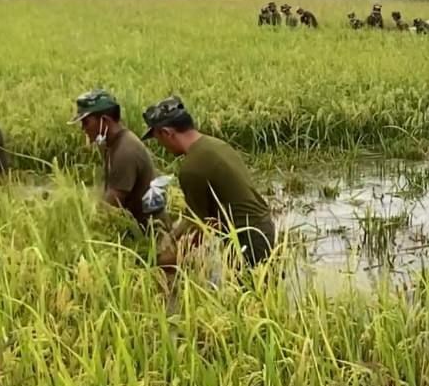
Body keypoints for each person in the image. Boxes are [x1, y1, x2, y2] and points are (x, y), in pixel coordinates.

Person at [141, 96, 276, 268]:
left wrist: (161, 262)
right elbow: (195, 214)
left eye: (159, 139)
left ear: (167, 133)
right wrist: (175, 235)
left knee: (251, 288)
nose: (162, 146)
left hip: (247, 239)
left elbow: (199, 228)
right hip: (263, 228)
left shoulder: (192, 167)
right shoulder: (215, 145)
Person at [70, 89, 159, 228]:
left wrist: (84, 227)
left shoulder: (125, 151)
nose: (83, 129)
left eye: (86, 122)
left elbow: (110, 207)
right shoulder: (112, 144)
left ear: (104, 120)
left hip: (149, 234)